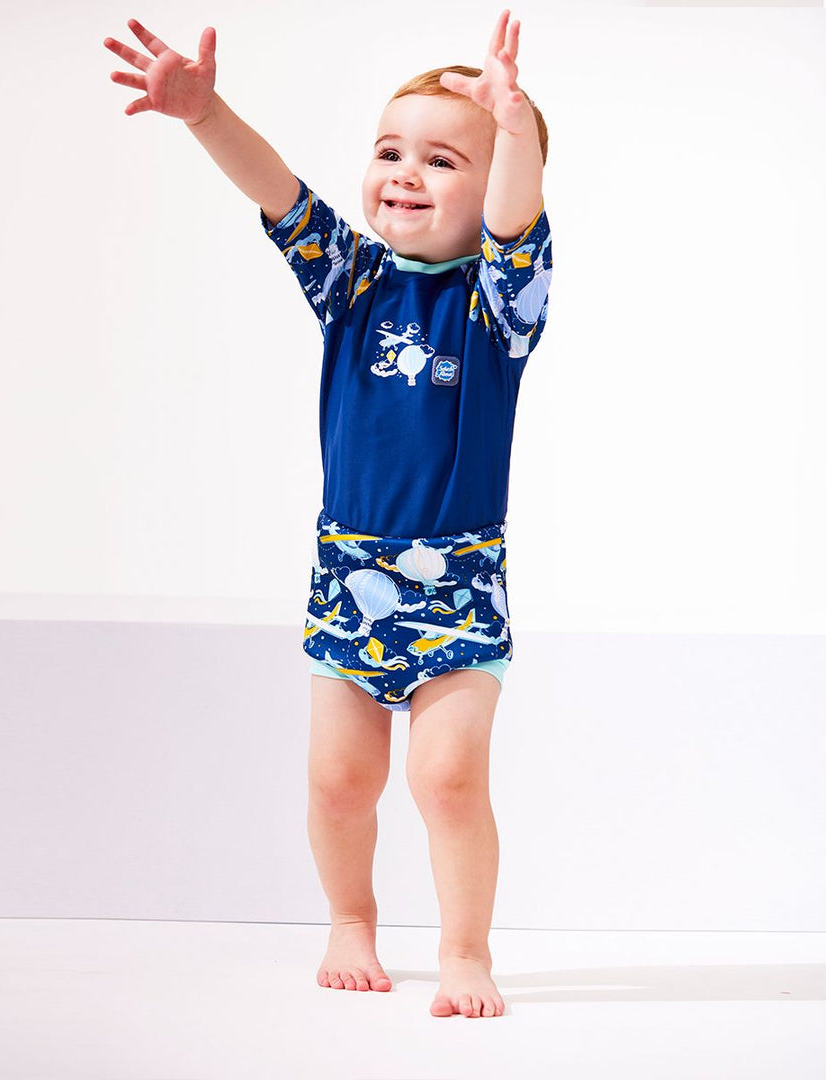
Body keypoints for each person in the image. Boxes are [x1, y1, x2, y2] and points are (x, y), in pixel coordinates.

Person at [103, 9, 551, 1020]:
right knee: (340, 783)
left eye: (443, 159)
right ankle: (350, 918)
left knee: (446, 782)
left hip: (459, 591)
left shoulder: (495, 309)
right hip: (347, 587)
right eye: (391, 150)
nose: (404, 170)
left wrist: (513, 129)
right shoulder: (350, 284)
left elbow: (518, 220)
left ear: (488, 197)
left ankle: (464, 949)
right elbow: (280, 193)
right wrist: (205, 112)